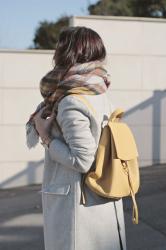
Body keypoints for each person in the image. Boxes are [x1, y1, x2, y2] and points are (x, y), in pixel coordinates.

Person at [26, 26, 127, 250]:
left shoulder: (72, 100)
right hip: (102, 204)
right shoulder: (99, 94)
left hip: (79, 212)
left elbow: (83, 160)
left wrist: (45, 136)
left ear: (67, 53)